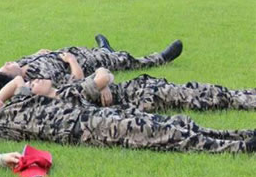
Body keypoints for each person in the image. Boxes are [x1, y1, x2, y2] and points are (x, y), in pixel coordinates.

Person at [0, 78, 255, 153]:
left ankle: (235, 136)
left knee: (169, 123)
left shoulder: (16, 101)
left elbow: (17, 81)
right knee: (162, 135)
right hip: (87, 128)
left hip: (92, 113)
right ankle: (237, 147)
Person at [0, 34, 183, 89]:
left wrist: (40, 52)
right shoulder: (40, 80)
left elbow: (39, 55)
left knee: (102, 52)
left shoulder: (22, 63)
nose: (8, 62)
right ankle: (160, 58)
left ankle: (104, 49)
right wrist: (72, 60)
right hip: (86, 62)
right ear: (14, 78)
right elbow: (77, 81)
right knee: (124, 59)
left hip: (76, 51)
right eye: (7, 67)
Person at [29, 69, 256, 112]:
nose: (36, 80)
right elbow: (104, 75)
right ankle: (247, 100)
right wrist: (103, 81)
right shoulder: (68, 96)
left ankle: (247, 95)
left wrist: (103, 83)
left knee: (198, 90)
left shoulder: (66, 86)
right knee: (200, 96)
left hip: (140, 88)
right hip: (143, 96)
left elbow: (103, 71)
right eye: (32, 85)